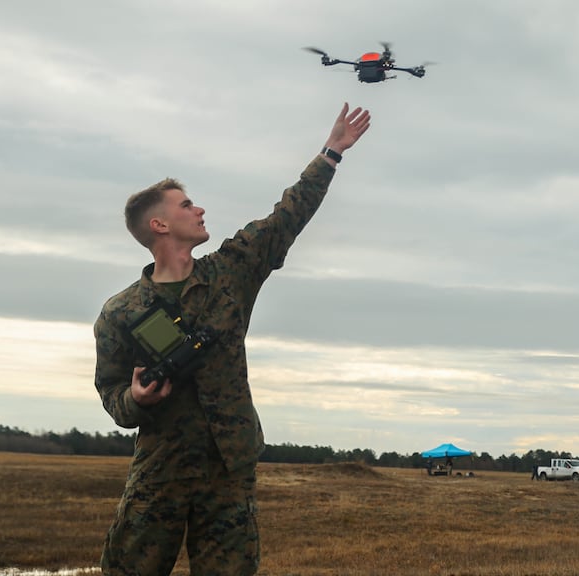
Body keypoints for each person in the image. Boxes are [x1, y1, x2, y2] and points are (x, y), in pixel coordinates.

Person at [93, 102, 371, 576]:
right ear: (159, 225)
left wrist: (331, 153)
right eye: (185, 204)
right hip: (160, 471)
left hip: (228, 470)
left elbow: (286, 217)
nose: (199, 208)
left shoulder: (231, 272)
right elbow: (112, 395)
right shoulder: (121, 312)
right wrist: (136, 398)